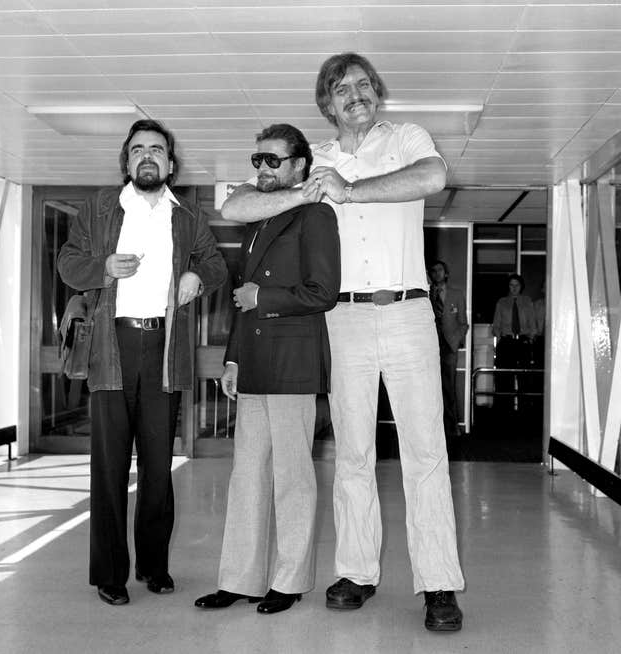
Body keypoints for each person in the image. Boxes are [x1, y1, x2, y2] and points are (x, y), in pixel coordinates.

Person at [221, 53, 464, 632]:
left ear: (376, 93)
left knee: (425, 453)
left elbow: (432, 178)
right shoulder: (316, 161)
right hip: (344, 320)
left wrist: (349, 190)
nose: (354, 94)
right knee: (352, 453)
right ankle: (356, 572)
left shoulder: (405, 137)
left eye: (363, 85)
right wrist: (306, 194)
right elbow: (235, 205)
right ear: (326, 105)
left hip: (407, 312)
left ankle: (438, 585)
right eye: (340, 88)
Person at [57, 119, 227, 606]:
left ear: (170, 164)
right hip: (111, 349)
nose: (146, 156)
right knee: (109, 467)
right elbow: (69, 263)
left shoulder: (188, 217)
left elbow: (216, 265)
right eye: (137, 150)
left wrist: (197, 273)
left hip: (163, 350)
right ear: (126, 162)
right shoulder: (99, 210)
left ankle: (155, 566)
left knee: (158, 468)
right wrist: (103, 267)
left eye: (156, 150)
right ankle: (110, 574)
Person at [194, 124, 340, 615]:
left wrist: (266, 298)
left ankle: (290, 579)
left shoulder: (316, 215)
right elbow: (241, 298)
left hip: (293, 364)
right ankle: (240, 578)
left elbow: (324, 292)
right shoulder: (258, 219)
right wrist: (233, 357)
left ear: (300, 165)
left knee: (294, 476)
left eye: (272, 160)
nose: (262, 169)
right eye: (257, 160)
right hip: (255, 363)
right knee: (246, 474)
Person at [429, 260, 468, 440]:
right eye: (433, 271)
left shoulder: (457, 294)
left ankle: (452, 428)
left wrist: (456, 341)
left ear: (446, 274)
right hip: (429, 347)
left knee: (449, 388)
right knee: (429, 389)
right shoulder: (426, 295)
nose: (436, 273)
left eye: (440, 270)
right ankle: (432, 430)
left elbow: (463, 323)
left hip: (449, 346)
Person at [492, 273, 536, 410]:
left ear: (521, 286)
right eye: (511, 285)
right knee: (504, 379)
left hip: (522, 342)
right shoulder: (502, 302)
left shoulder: (527, 301)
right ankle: (505, 411)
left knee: (524, 379)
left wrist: (530, 339)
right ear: (508, 286)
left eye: (516, 285)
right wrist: (499, 338)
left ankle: (524, 411)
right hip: (506, 343)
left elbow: (532, 324)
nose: (514, 288)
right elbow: (496, 325)